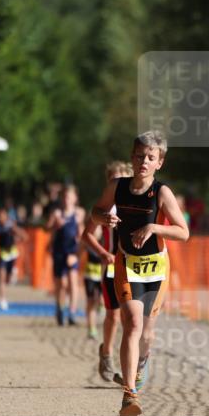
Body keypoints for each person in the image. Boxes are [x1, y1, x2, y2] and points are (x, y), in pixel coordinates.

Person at [91, 130, 189, 416]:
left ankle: (142, 361)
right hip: (126, 264)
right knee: (132, 324)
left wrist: (154, 228)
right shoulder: (117, 187)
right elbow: (94, 212)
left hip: (156, 269)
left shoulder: (162, 193)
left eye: (151, 157)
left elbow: (183, 232)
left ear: (160, 162)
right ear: (132, 158)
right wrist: (104, 217)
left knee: (147, 333)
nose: (144, 161)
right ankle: (129, 395)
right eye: (139, 156)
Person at [82, 160, 133, 380]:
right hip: (112, 267)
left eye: (118, 178)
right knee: (113, 315)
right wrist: (103, 253)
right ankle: (106, 354)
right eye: (111, 179)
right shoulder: (106, 208)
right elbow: (87, 235)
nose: (114, 183)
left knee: (131, 317)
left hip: (135, 267)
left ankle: (130, 366)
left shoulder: (137, 203)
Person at [47, 184, 84, 326]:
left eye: (69, 197)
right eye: (65, 197)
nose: (67, 199)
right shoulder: (57, 213)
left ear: (75, 198)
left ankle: (72, 312)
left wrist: (78, 250)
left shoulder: (79, 213)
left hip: (72, 252)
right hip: (59, 251)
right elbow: (47, 228)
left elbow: (81, 233)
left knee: (73, 283)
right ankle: (60, 308)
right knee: (60, 284)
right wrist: (54, 223)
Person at [0, 206, 27, 311]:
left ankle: (14, 272)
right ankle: (2, 299)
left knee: (7, 279)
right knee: (1, 278)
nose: (1, 217)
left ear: (6, 216)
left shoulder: (11, 225)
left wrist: (16, 238)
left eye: (3, 215)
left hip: (12, 254)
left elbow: (24, 236)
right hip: (2, 254)